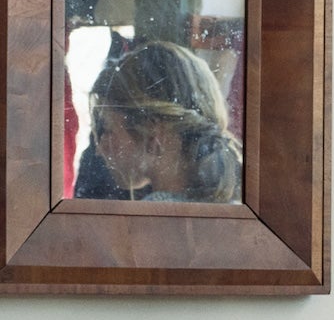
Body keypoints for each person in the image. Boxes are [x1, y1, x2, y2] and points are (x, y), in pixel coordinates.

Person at [77, 40, 242, 204]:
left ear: (152, 132)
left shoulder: (146, 222)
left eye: (107, 129)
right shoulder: (234, 210)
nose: (99, 149)